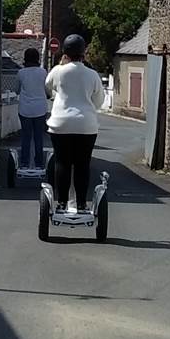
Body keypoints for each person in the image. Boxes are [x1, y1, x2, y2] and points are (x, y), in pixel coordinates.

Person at [45, 34, 106, 213]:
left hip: (60, 124)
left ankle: (62, 203)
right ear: (83, 53)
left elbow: (48, 86)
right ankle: (81, 203)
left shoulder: (57, 71)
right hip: (86, 125)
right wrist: (86, 108)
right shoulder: (92, 74)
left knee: (62, 162)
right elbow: (99, 101)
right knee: (82, 164)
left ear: (65, 52)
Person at [15, 47, 48, 169]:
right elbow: (47, 89)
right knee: (38, 137)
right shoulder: (43, 72)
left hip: (25, 109)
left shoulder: (21, 73)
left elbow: (16, 90)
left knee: (26, 137)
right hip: (40, 109)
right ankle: (39, 163)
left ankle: (24, 163)